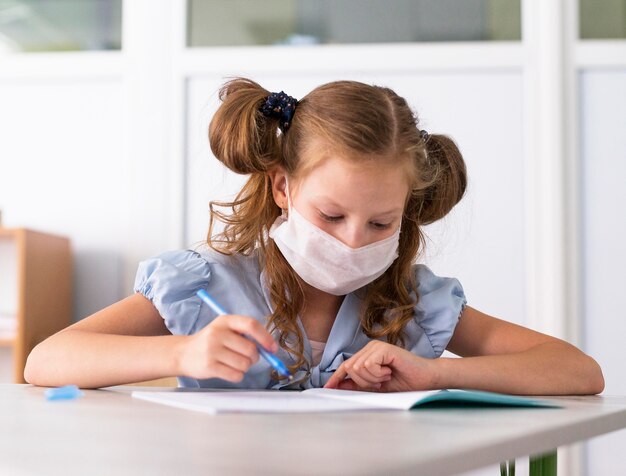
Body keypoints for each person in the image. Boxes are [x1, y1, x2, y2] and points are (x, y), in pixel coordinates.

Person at [24, 78, 604, 394]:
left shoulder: (417, 303)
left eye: (381, 223)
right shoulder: (207, 283)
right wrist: (182, 350)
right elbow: (47, 361)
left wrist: (437, 373)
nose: (354, 241)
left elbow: (577, 371)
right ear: (282, 188)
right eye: (331, 216)